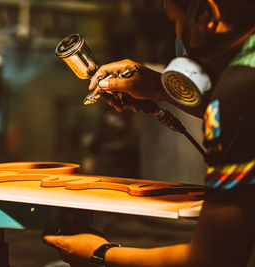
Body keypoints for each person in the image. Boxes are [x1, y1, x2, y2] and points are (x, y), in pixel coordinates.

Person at [42, 0, 255, 266]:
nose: (177, 35)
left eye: (175, 21)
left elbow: (213, 259)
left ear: (209, 16)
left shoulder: (238, 95)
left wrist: (99, 253)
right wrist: (159, 88)